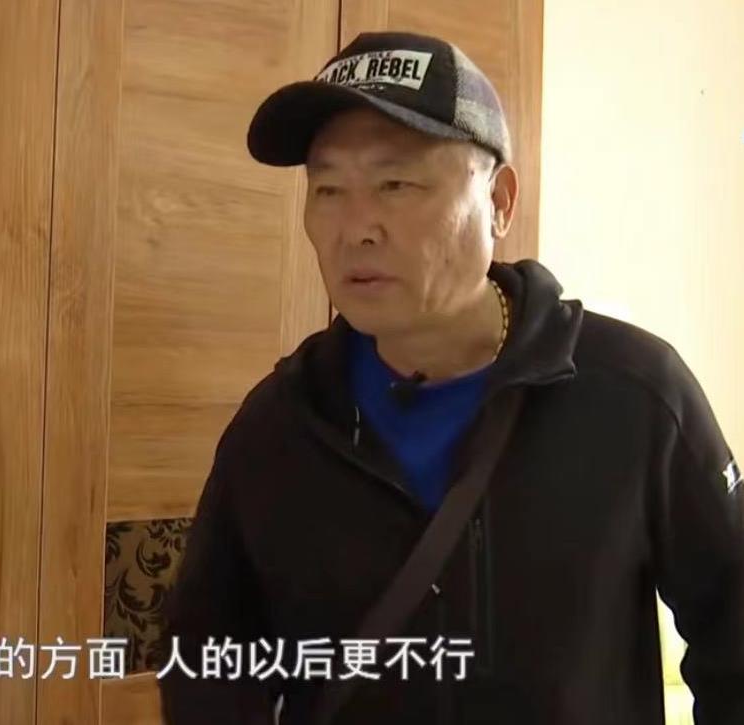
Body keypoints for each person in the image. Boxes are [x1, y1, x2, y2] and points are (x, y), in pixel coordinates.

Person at [157, 30, 744, 725]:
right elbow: (208, 654)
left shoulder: (634, 395)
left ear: (499, 200)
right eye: (328, 189)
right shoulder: (282, 422)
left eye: (395, 184)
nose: (355, 228)